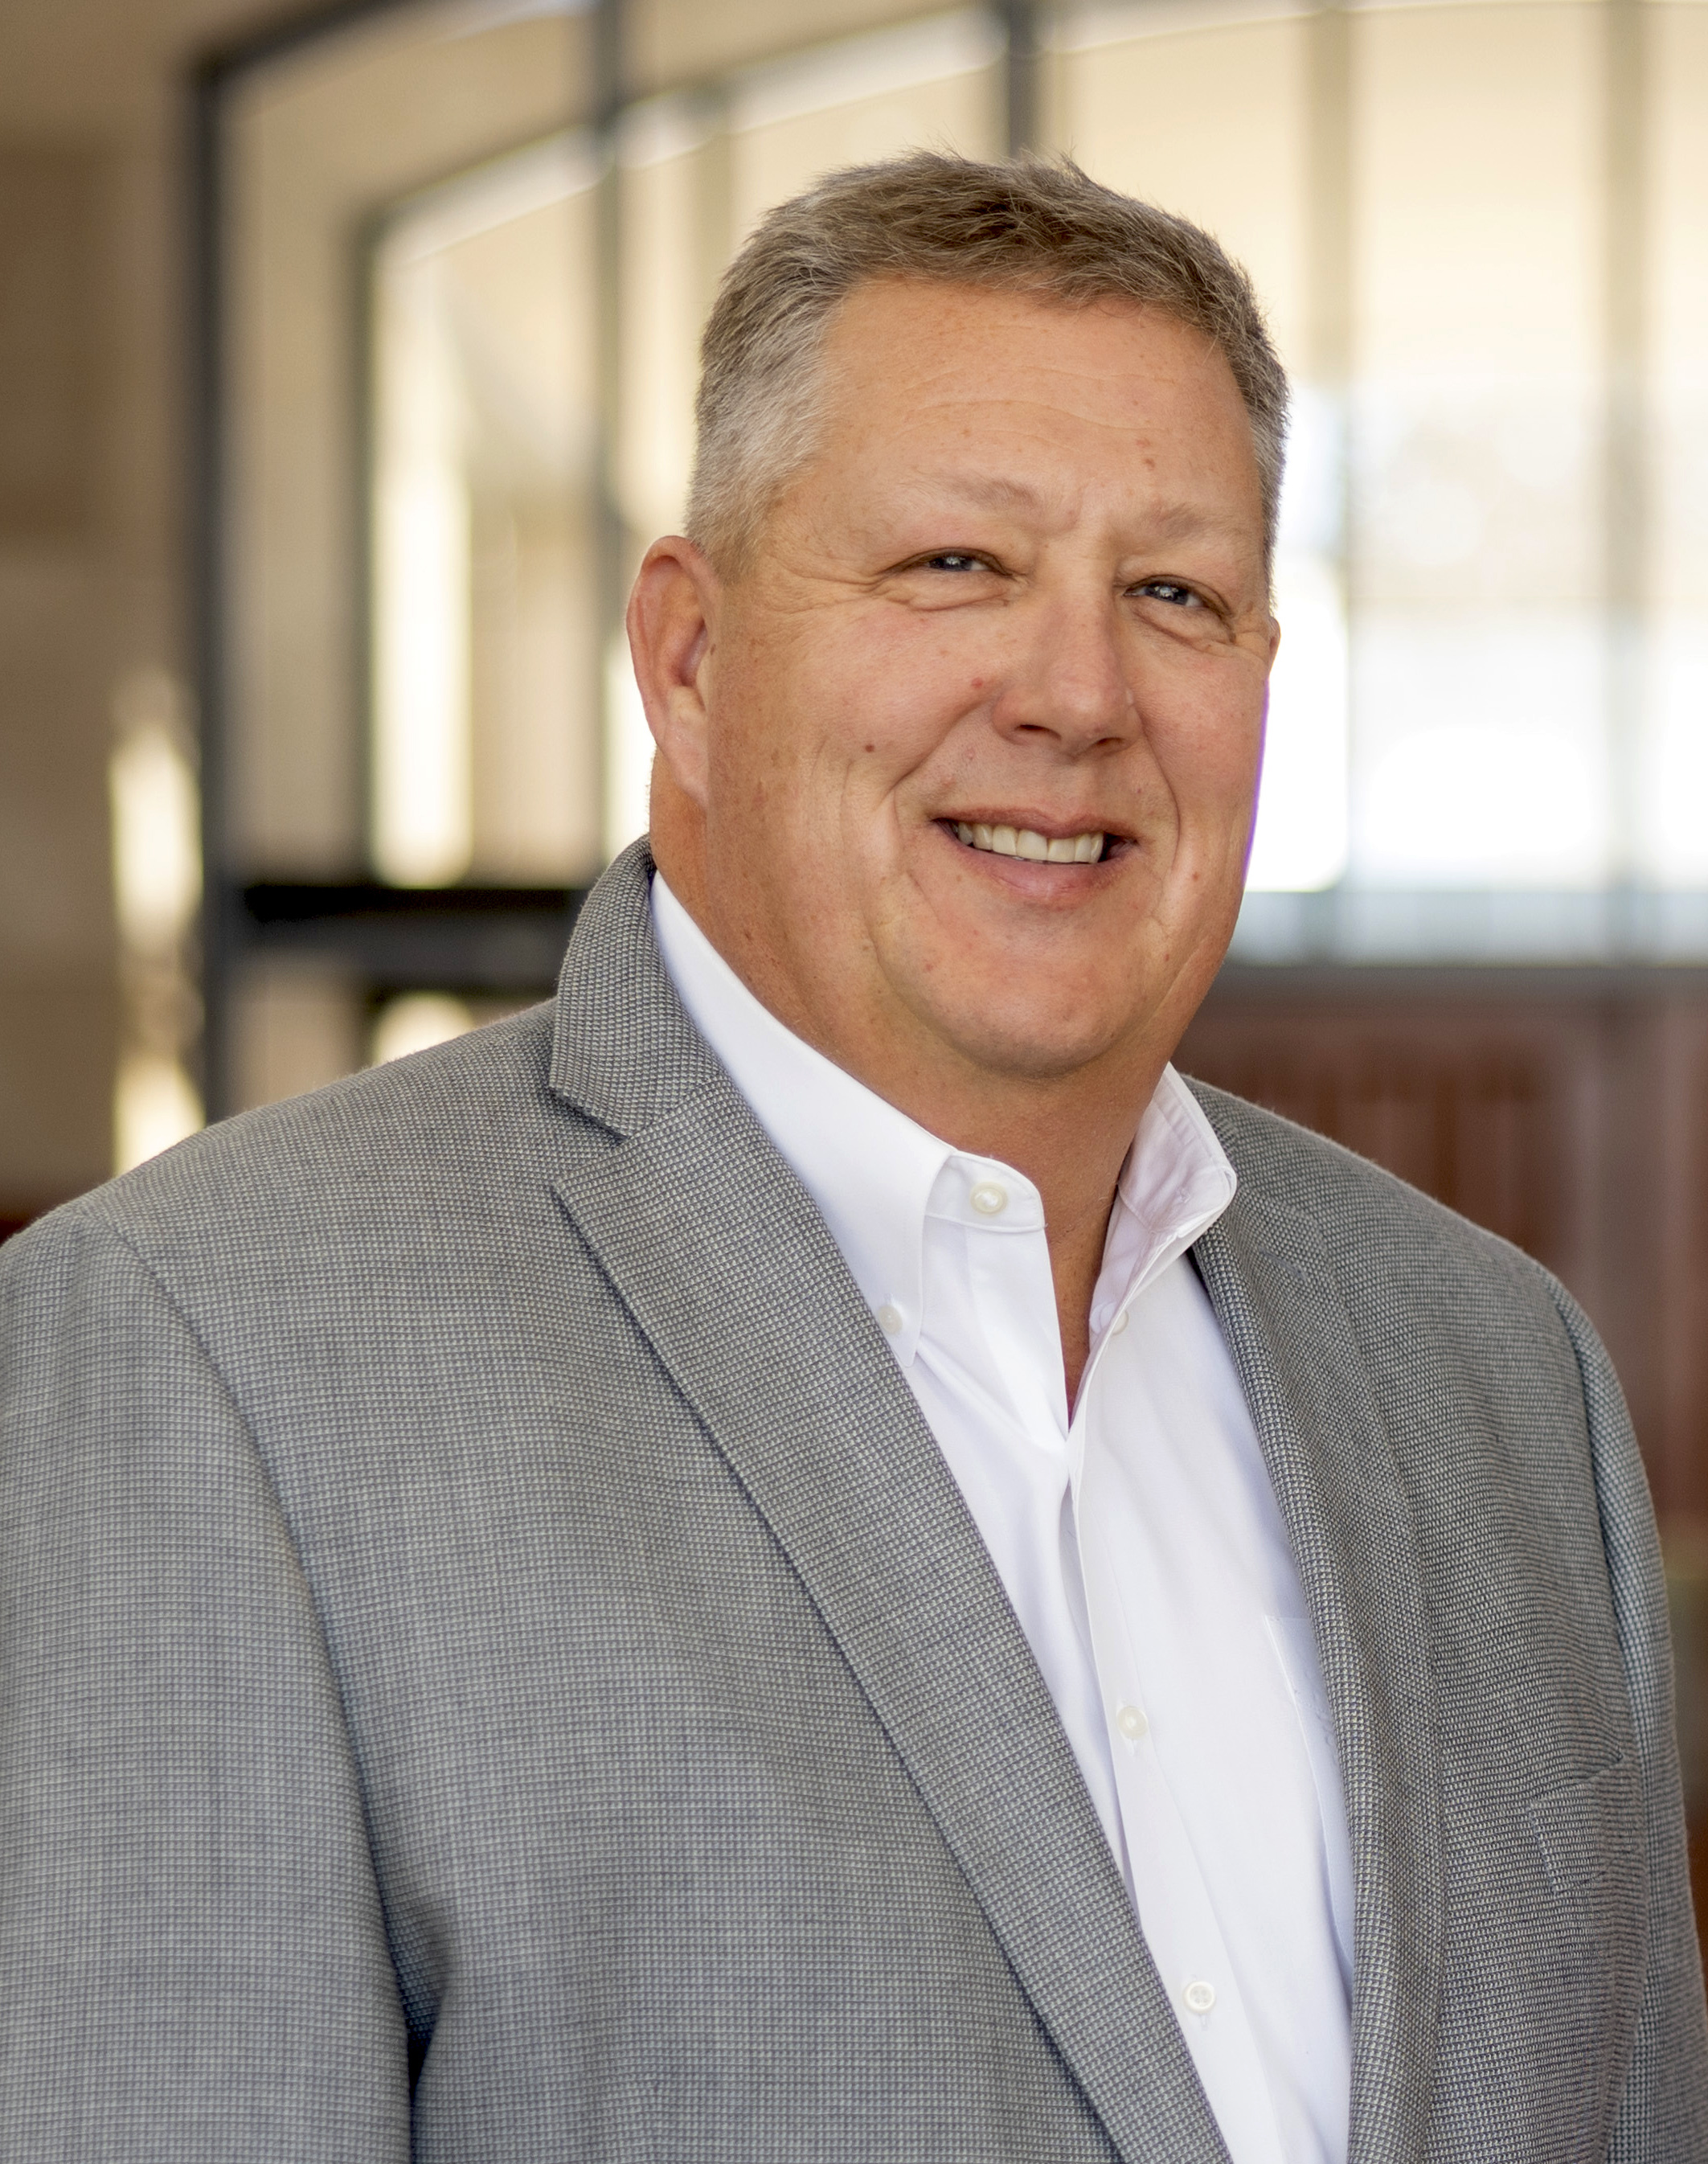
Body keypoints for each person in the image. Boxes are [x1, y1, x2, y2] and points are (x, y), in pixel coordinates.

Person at [2, 152, 1703, 2164]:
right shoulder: (204, 1351)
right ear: (692, 662)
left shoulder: (1498, 1371)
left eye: (1172, 591)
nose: (1075, 695)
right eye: (954, 568)